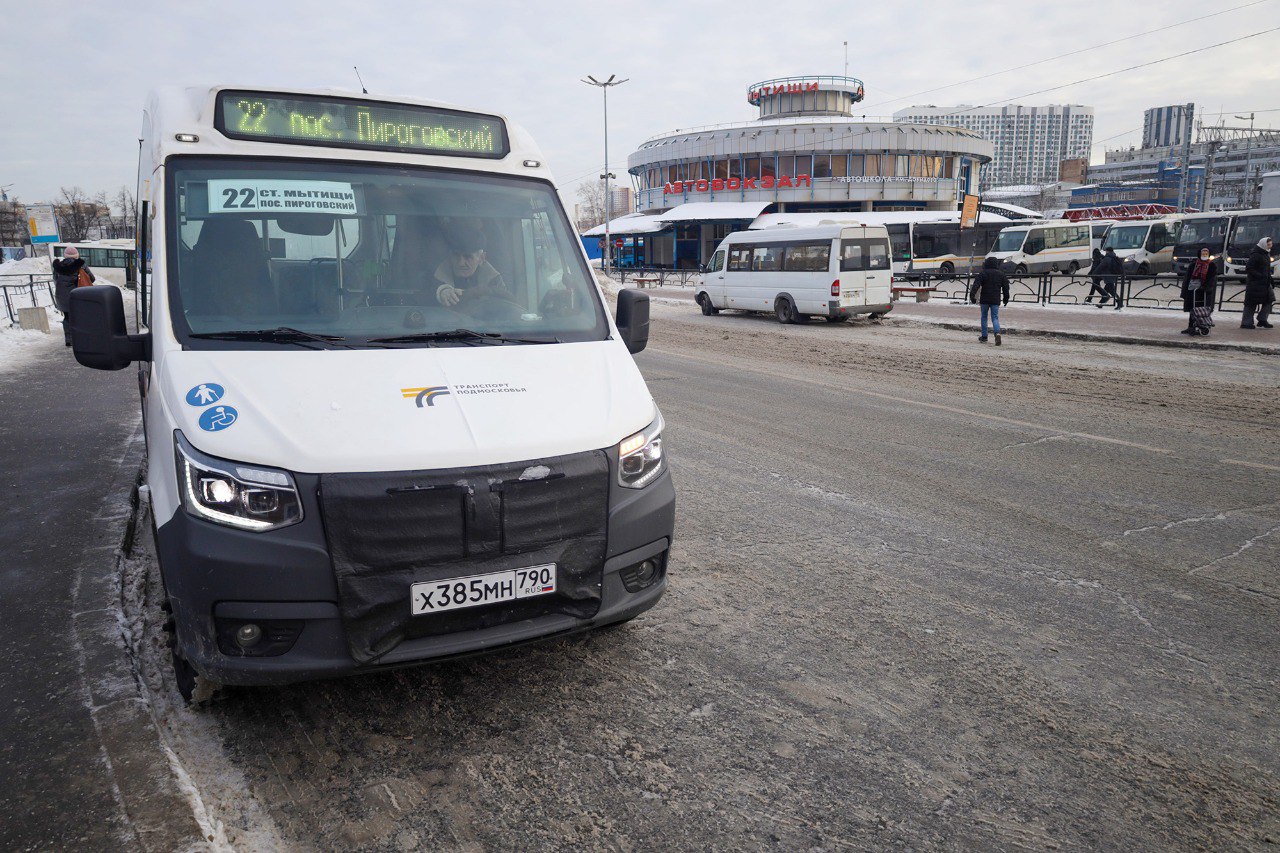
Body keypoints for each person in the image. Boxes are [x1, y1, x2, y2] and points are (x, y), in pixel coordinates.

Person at [434, 225, 511, 308]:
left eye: (468, 257)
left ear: (481, 258)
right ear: (450, 256)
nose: (461, 263)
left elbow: (506, 309)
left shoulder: (494, 281)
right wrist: (441, 292)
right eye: (456, 256)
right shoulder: (436, 277)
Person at [51, 246, 95, 345]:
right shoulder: (81, 265)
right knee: (80, 317)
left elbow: (55, 281)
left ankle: (69, 339)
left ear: (65, 256)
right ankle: (81, 337)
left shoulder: (58, 266)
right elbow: (91, 278)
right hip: (78, 296)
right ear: (76, 255)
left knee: (67, 317)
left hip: (61, 296)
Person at [969, 256, 1010, 345]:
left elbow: (976, 285)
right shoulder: (1001, 274)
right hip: (995, 299)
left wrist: (972, 296)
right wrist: (1006, 299)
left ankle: (984, 336)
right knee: (995, 317)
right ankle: (997, 333)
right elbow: (1006, 288)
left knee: (984, 317)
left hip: (984, 299)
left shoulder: (983, 273)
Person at [1180, 247, 1218, 335]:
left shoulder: (1211, 265)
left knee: (1201, 310)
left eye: (1206, 254)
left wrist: (1205, 287)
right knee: (1192, 308)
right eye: (1203, 254)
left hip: (1203, 291)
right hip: (1192, 289)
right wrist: (1185, 291)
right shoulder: (1194, 264)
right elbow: (1187, 278)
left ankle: (1202, 325)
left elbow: (1212, 278)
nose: (1204, 255)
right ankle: (1191, 326)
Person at [1241, 236, 1275, 330]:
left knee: (1269, 299)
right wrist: (1259, 276)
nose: (1270, 246)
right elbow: (1249, 268)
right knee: (1251, 302)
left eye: (1271, 244)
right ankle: (1246, 322)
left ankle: (1262, 319)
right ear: (1264, 244)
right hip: (1255, 284)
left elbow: (1266, 269)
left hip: (1264, 283)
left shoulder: (1265, 253)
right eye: (1268, 245)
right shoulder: (1256, 254)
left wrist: (1270, 279)